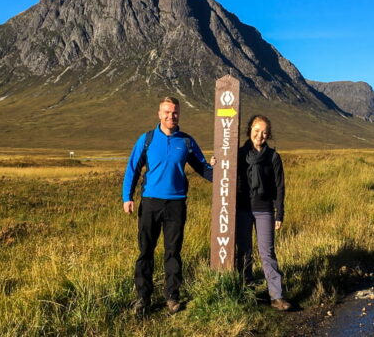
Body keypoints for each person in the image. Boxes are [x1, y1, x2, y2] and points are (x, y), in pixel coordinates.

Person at [122, 96, 214, 316]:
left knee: (173, 252)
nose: (171, 116)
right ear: (159, 113)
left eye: (174, 113)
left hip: (176, 204)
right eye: (166, 112)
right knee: (146, 251)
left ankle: (172, 297)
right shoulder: (146, 139)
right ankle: (143, 298)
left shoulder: (187, 141)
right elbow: (132, 169)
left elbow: (203, 168)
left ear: (179, 114)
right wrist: (128, 197)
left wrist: (221, 172)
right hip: (150, 202)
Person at [235, 114, 291, 311]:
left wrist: (279, 214)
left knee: (267, 253)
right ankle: (247, 291)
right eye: (257, 131)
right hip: (242, 209)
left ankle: (276, 296)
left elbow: (279, 187)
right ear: (250, 130)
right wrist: (216, 163)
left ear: (268, 135)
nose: (260, 136)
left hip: (264, 210)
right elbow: (225, 173)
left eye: (264, 132)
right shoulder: (238, 154)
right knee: (244, 253)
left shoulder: (273, 157)